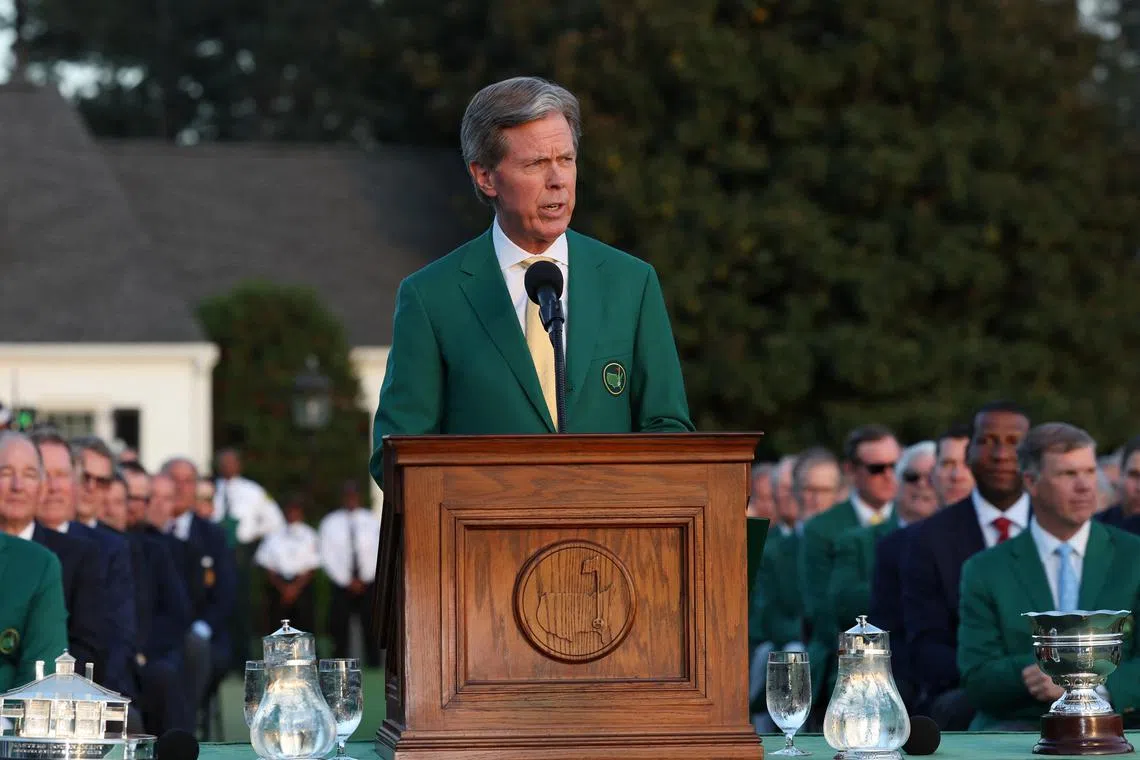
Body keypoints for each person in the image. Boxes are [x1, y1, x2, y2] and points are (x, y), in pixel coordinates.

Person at [370, 76, 694, 485]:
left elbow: (668, 431)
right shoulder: (431, 296)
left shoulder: (631, 282)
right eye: (537, 164)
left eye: (567, 159)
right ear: (485, 176)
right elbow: (395, 454)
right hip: (481, 541)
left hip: (610, 541)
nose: (558, 179)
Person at [959, 423, 1140, 728]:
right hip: (1017, 730)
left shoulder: (1133, 557)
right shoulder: (985, 569)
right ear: (1031, 481)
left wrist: (1093, 686)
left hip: (1117, 727)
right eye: (1068, 474)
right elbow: (976, 676)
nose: (1085, 486)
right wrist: (1031, 674)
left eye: (1089, 471)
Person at [901, 401, 1031, 730]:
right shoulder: (929, 538)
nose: (1001, 455)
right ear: (969, 451)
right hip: (965, 695)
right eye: (987, 441)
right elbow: (925, 644)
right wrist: (1000, 679)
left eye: (1015, 442)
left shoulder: (1059, 526)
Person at [799, 425, 900, 710]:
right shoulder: (823, 528)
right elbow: (820, 609)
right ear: (851, 470)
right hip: (843, 656)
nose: (889, 475)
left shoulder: (911, 520)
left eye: (895, 465)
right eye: (877, 468)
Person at [0, 431, 69, 691]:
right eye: (6, 473)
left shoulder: (43, 564)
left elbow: (42, 674)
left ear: (42, 487)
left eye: (28, 475)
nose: (17, 486)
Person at [319, 482, 381, 665]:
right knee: (339, 626)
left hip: (367, 582)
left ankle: (374, 663)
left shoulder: (371, 521)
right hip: (341, 584)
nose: (351, 499)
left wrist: (366, 578)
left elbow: (378, 551)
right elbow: (326, 554)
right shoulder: (330, 522)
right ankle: (340, 663)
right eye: (347, 496)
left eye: (354, 495)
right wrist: (346, 580)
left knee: (370, 624)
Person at [255, 494, 321, 633]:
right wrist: (284, 588)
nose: (292, 513)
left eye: (296, 510)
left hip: (302, 587)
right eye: (290, 510)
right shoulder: (274, 534)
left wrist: (294, 589)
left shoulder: (310, 534)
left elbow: (312, 567)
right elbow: (267, 565)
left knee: (305, 630)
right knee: (278, 631)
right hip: (279, 587)